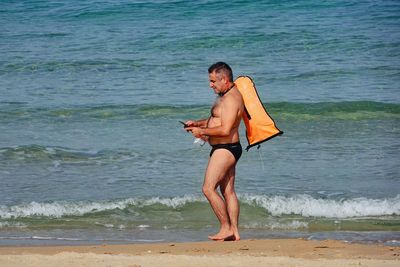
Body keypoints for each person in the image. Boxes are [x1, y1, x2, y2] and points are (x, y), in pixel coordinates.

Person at [185, 62, 244, 241]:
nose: (210, 85)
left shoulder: (231, 99)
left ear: (224, 79)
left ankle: (225, 227)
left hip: (225, 149)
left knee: (208, 188)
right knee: (228, 191)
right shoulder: (225, 94)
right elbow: (216, 120)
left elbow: (225, 129)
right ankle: (234, 232)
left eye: (213, 81)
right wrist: (197, 123)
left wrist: (201, 132)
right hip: (226, 148)